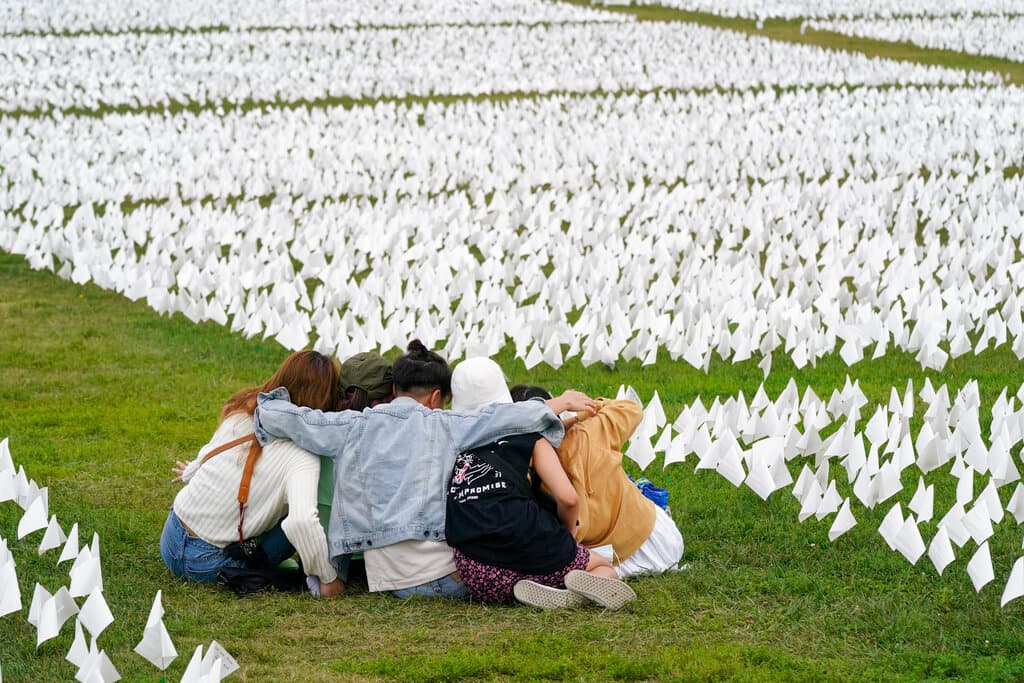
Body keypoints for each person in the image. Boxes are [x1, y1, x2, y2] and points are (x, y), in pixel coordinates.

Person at [253, 340, 597, 600]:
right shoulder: (443, 424)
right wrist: (561, 402)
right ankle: (556, 577)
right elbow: (500, 417)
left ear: (393, 389)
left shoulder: (351, 426)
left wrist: (265, 406)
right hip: (447, 577)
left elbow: (300, 420)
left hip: (388, 581)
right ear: (435, 397)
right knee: (513, 550)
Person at [445, 357, 636, 609]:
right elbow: (568, 498)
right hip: (531, 544)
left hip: (477, 574)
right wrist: (568, 535)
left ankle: (528, 588)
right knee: (603, 566)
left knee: (523, 563)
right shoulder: (531, 438)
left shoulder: (455, 441)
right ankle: (571, 594)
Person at [160, 350, 344, 597]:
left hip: (171, 536)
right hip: (208, 564)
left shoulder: (243, 411)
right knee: (308, 505)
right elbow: (302, 522)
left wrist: (193, 471)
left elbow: (211, 451)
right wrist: (328, 577)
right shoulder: (303, 454)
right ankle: (300, 567)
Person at [510, 385, 684, 579]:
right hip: (661, 538)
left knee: (559, 562)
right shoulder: (592, 429)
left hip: (607, 557)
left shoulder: (519, 466)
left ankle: (569, 581)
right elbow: (631, 408)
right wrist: (581, 413)